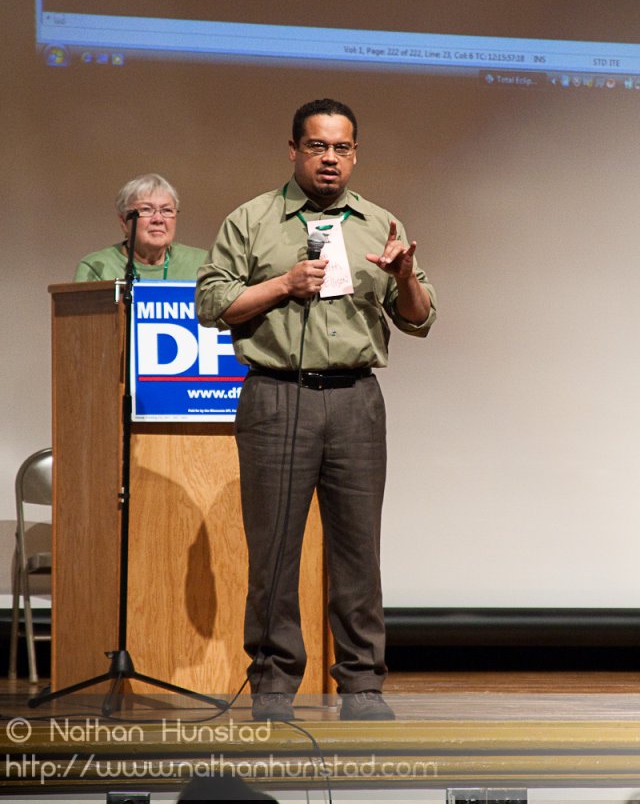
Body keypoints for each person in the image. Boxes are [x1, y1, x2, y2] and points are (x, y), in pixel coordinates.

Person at [196, 98, 436, 722]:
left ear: (354, 155)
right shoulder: (253, 219)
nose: (330, 159)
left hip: (356, 399)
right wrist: (283, 284)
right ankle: (274, 683)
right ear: (295, 151)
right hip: (277, 394)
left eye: (342, 148)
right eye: (318, 147)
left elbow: (418, 319)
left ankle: (362, 682)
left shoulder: (376, 222)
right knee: (273, 547)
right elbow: (209, 299)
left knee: (358, 549)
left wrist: (406, 276)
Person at [74, 173, 207, 281]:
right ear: (123, 221)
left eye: (166, 210)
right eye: (146, 209)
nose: (158, 219)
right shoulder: (97, 268)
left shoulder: (202, 264)